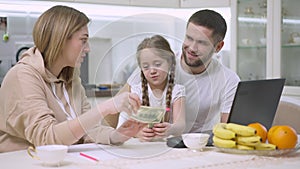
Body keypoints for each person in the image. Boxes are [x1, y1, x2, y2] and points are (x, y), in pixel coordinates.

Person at [0, 5, 145, 153]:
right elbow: (46, 138)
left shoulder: (71, 77)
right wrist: (105, 108)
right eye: (83, 40)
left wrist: (116, 136)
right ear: (60, 39)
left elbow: (89, 129)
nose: (88, 49)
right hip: (22, 161)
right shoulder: (22, 76)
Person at [119, 9, 240, 133]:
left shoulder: (229, 80)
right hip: (156, 145)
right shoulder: (158, 63)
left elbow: (229, 129)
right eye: (189, 38)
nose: (192, 48)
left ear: (218, 47)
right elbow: (116, 106)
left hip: (197, 148)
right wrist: (108, 138)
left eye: (202, 43)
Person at [117, 35, 186, 141]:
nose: (152, 71)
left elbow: (180, 125)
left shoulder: (177, 91)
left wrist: (170, 129)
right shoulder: (136, 91)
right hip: (140, 148)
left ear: (170, 63)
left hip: (165, 147)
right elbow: (121, 127)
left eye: (157, 64)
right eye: (146, 67)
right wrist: (137, 133)